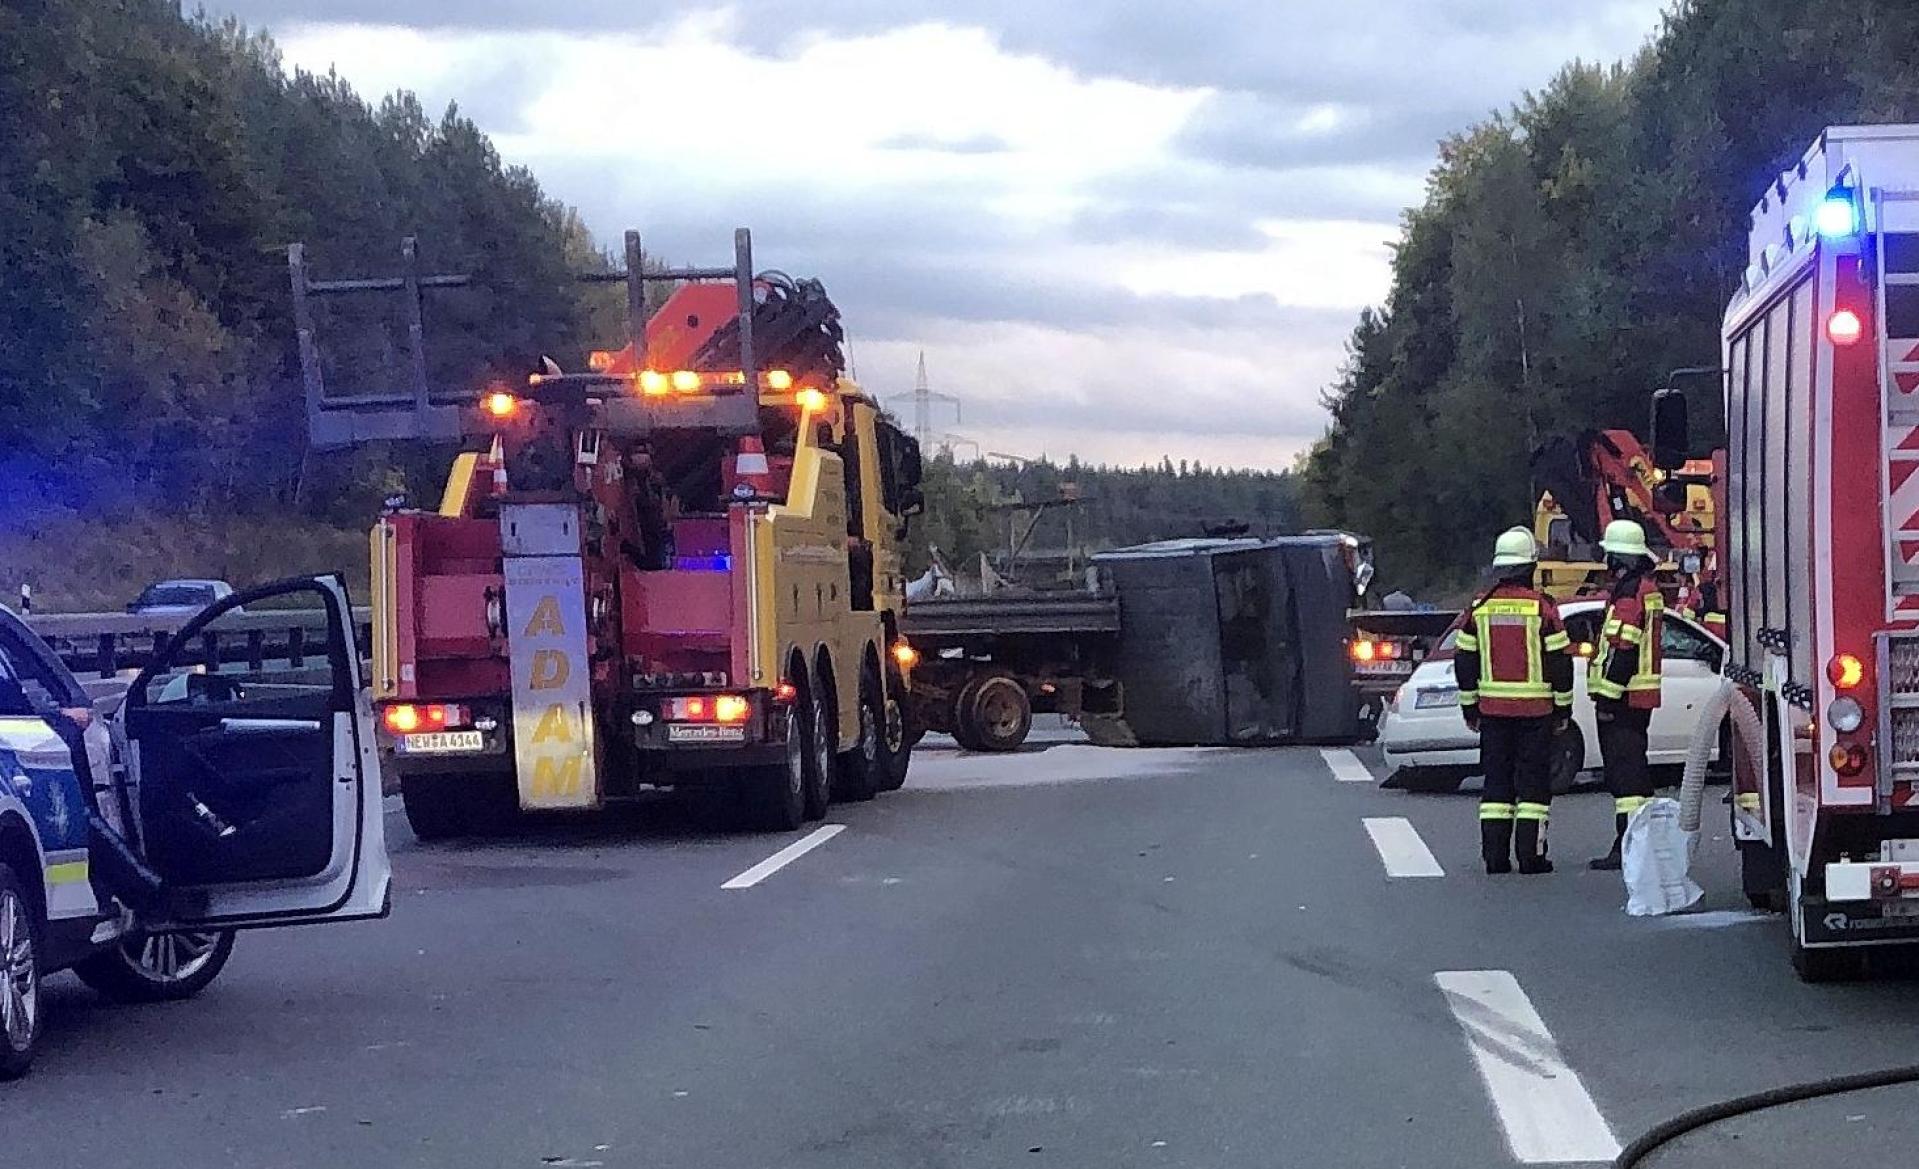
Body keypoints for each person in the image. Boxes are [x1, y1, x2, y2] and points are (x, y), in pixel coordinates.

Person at [1454, 527, 1575, 875]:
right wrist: (1563, 709)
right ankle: (1531, 857)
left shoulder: (1480, 608)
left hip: (1492, 714)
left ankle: (1495, 858)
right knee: (1533, 787)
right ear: (1529, 567)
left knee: (1496, 786)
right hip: (1536, 714)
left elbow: (1464, 661)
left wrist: (1470, 706)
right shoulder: (1542, 609)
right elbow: (1560, 663)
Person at [1587, 519, 1664, 871]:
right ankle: (1639, 841)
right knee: (1634, 771)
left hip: (1624, 699)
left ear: (1619, 558)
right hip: (1636, 698)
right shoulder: (1644, 588)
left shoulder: (1631, 593)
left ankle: (1628, 845)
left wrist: (1607, 698)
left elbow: (1624, 649)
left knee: (1626, 777)